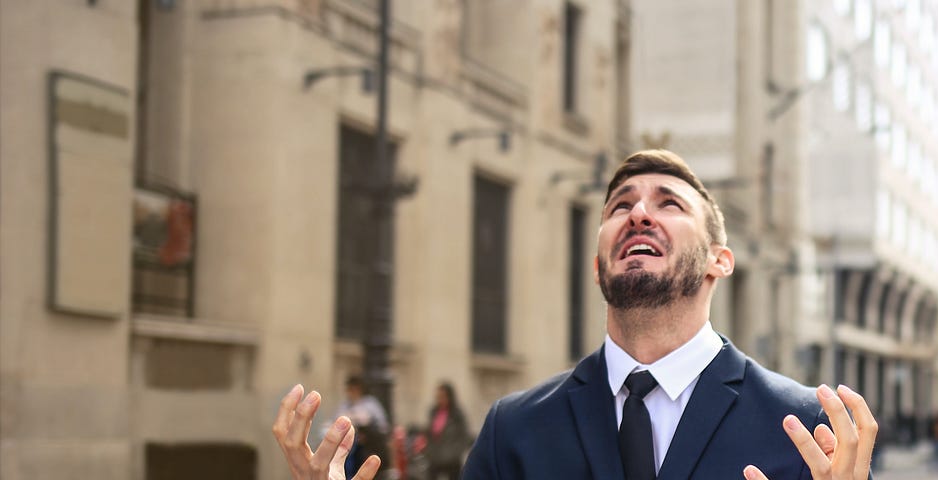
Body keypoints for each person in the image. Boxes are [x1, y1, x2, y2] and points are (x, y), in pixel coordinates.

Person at [271, 150, 878, 480]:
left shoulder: (805, 429)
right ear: (598, 267)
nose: (639, 214)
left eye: (668, 203)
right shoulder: (515, 427)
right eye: (621, 206)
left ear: (720, 260)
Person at [331, 375, 391, 475]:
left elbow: (381, 426)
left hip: (367, 445)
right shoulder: (345, 405)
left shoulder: (370, 404)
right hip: (349, 442)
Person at [421, 382, 472, 480]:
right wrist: (428, 451)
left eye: (443, 396)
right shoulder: (434, 412)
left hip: (452, 462)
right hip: (434, 459)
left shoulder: (457, 415)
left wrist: (455, 453)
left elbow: (465, 436)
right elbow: (429, 434)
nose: (440, 399)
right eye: (438, 396)